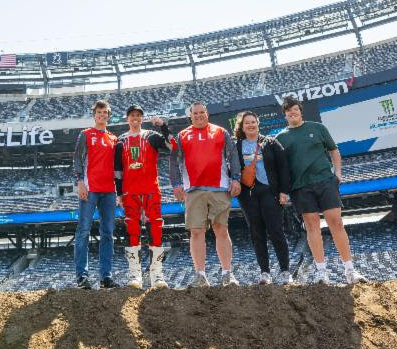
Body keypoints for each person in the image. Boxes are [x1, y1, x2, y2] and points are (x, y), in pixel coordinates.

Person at [274, 97, 365, 284]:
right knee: (312, 227)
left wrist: (337, 173)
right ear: (285, 115)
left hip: (325, 181)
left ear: (300, 111)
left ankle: (350, 271)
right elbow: (280, 167)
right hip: (300, 187)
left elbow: (334, 150)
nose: (293, 112)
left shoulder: (317, 128)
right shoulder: (281, 138)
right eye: (288, 110)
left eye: (295, 109)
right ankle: (321, 272)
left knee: (336, 224)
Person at [169, 102, 241, 287]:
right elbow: (173, 161)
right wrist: (176, 184)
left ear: (207, 114)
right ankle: (200, 275)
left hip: (219, 187)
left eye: (202, 112)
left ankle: (227, 274)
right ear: (190, 116)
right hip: (193, 189)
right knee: (196, 231)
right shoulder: (182, 135)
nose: (199, 115)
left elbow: (232, 156)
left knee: (221, 229)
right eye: (195, 113)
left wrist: (236, 178)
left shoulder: (220, 131)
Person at [113, 106, 173, 289]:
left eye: (138, 115)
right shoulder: (120, 141)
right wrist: (119, 193)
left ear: (142, 118)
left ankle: (157, 275)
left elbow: (172, 146)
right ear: (127, 118)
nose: (135, 118)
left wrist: (163, 126)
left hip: (151, 190)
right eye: (132, 115)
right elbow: (117, 170)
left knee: (156, 230)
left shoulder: (152, 136)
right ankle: (134, 276)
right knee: (132, 232)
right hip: (130, 192)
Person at [232, 111, 293, 284]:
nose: (250, 125)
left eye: (253, 122)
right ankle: (264, 272)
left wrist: (283, 191)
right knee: (256, 233)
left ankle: (285, 271)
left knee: (276, 231)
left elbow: (283, 167)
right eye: (247, 123)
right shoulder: (236, 146)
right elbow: (232, 170)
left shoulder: (271, 142)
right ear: (241, 127)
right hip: (248, 195)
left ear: (258, 124)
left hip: (269, 192)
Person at [72, 100, 118, 288]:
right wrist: (80, 182)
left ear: (108, 115)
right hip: (90, 189)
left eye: (105, 112)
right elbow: (77, 160)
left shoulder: (114, 138)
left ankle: (106, 276)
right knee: (83, 231)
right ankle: (81, 277)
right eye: (99, 112)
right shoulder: (85, 134)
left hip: (109, 191)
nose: (102, 115)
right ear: (94, 115)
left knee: (108, 233)